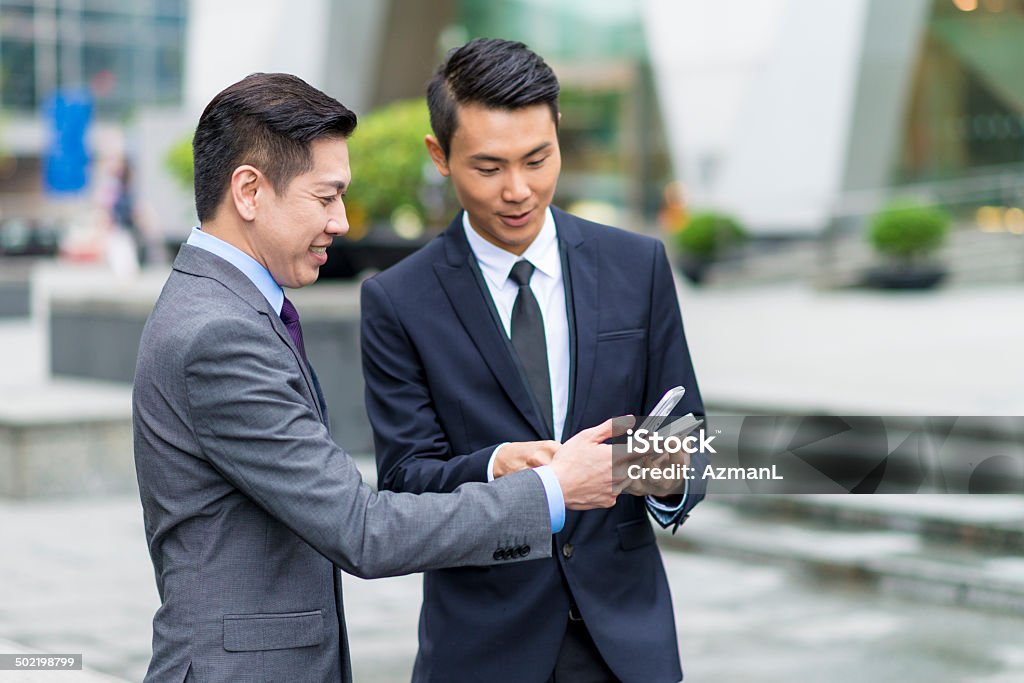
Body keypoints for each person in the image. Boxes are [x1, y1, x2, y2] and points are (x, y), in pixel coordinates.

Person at [133, 72, 625, 683]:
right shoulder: (219, 332)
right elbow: (362, 529)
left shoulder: (225, 307)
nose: (341, 221)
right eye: (326, 196)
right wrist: (552, 489)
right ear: (250, 191)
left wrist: (505, 467)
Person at [360, 39, 708, 683]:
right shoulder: (397, 300)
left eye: (537, 159)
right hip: (483, 651)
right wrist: (497, 466)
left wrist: (668, 478)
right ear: (440, 156)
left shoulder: (639, 267)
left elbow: (692, 438)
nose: (518, 191)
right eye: (489, 168)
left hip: (627, 648)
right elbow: (406, 483)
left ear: (558, 139)